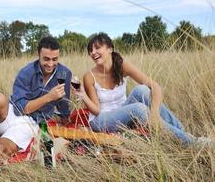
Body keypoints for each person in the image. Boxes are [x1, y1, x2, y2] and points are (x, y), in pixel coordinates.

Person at [0, 36, 72, 182]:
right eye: (46, 59)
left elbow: (63, 103)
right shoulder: (27, 71)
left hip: (31, 124)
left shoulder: (64, 73)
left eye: (55, 59)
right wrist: (49, 97)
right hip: (13, 113)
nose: (51, 64)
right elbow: (22, 108)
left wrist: (67, 119)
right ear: (38, 54)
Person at [72, 32, 211, 146]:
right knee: (139, 108)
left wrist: (155, 113)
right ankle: (192, 143)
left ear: (110, 49)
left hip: (124, 111)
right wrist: (83, 95)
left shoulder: (121, 66)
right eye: (90, 50)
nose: (93, 52)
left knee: (142, 90)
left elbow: (155, 87)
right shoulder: (89, 76)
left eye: (97, 48)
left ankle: (183, 133)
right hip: (101, 119)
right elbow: (96, 110)